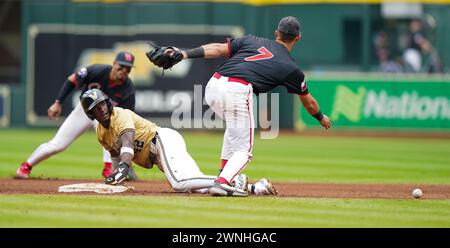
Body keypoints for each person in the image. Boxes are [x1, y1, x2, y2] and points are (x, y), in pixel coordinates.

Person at [146, 16, 332, 196]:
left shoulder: (252, 40)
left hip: (214, 86)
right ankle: (223, 182)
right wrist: (321, 117)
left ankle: (224, 174)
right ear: (297, 38)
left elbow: (218, 48)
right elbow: (309, 102)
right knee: (244, 150)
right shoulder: (292, 69)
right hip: (238, 90)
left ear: (277, 33)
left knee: (234, 130)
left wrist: (184, 54)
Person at [80, 88, 276, 196]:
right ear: (91, 114)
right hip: (159, 155)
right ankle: (257, 188)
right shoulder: (101, 133)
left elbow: (127, 142)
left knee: (179, 183)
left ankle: (231, 180)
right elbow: (114, 154)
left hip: (162, 141)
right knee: (199, 187)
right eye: (96, 108)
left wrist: (124, 165)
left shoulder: (119, 114)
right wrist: (118, 172)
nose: (102, 109)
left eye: (103, 104)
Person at [16, 51, 138, 180]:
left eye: (128, 68)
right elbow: (72, 80)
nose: (124, 70)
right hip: (85, 111)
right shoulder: (97, 71)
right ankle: (26, 165)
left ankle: (109, 168)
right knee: (58, 144)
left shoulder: (128, 88)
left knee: (111, 130)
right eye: (121, 66)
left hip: (107, 116)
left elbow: (127, 116)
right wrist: (58, 103)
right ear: (114, 64)